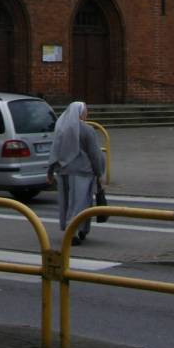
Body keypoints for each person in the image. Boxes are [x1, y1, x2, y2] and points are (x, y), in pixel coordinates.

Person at [48, 100, 105, 245]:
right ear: (80, 113)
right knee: (81, 202)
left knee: (66, 202)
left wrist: (50, 170)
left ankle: (73, 228)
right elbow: (94, 154)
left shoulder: (61, 129)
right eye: (85, 111)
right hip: (82, 173)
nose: (87, 113)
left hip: (63, 171)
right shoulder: (87, 130)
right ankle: (74, 231)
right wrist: (99, 172)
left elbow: (54, 151)